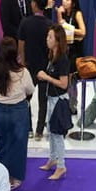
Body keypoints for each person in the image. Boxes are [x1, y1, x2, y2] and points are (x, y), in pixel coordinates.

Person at [0, 39, 36, 186]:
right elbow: (30, 90)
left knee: (1, 143)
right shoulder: (22, 72)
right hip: (18, 111)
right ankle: (14, 178)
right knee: (18, 145)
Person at [38, 24, 72, 180]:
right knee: (51, 131)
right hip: (52, 98)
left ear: (58, 41)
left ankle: (61, 166)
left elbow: (64, 84)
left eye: (50, 37)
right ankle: (53, 158)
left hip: (59, 100)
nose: (47, 39)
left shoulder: (62, 59)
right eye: (47, 36)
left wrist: (47, 77)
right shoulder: (52, 56)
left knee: (57, 133)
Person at [21, 0, 55, 138]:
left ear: (34, 5)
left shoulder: (25, 23)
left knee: (26, 98)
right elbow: (52, 48)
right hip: (44, 67)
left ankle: (28, 128)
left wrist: (22, 63)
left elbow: (21, 45)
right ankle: (39, 131)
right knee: (43, 100)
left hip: (29, 66)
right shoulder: (49, 25)